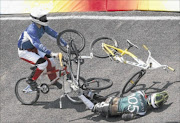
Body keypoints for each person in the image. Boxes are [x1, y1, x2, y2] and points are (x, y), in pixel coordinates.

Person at [17, 8, 67, 90]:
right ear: (36, 20)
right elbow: (38, 45)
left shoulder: (43, 26)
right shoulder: (31, 30)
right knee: (43, 63)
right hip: (25, 52)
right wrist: (51, 53)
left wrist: (66, 44)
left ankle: (53, 80)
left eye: (45, 17)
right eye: (43, 18)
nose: (45, 19)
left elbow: (54, 34)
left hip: (33, 48)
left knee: (51, 60)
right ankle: (31, 80)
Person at [80, 90, 168, 120]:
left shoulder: (140, 93)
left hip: (113, 99)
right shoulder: (143, 111)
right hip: (110, 109)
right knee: (94, 108)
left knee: (103, 98)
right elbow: (124, 117)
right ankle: (79, 94)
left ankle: (86, 92)